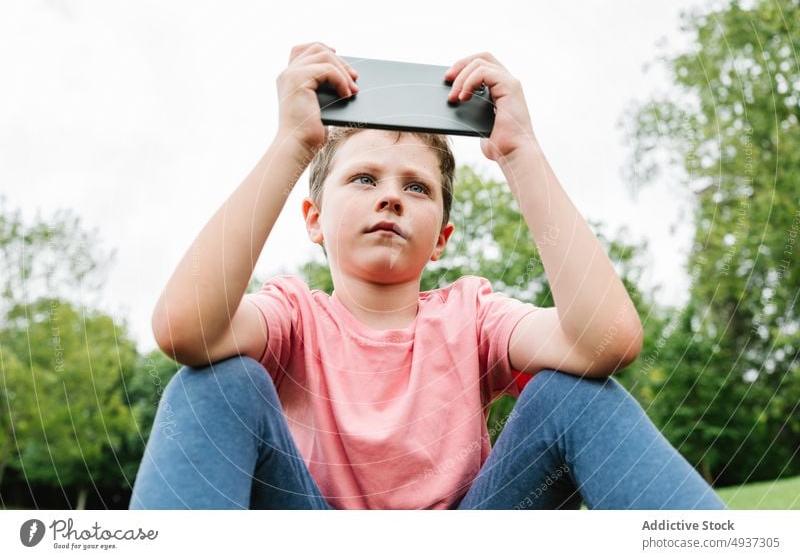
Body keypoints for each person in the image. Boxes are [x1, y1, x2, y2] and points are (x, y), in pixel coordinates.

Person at [129, 42, 727, 510]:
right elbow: (186, 329)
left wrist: (521, 152)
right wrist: (293, 142)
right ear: (313, 219)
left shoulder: (472, 316)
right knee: (217, 380)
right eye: (364, 179)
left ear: (442, 238)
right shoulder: (293, 316)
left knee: (570, 391)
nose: (391, 197)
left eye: (416, 187)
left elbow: (606, 342)